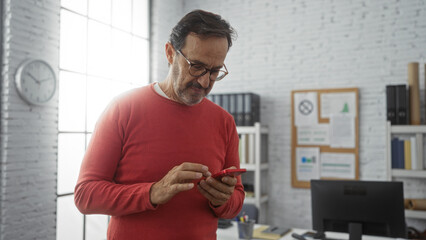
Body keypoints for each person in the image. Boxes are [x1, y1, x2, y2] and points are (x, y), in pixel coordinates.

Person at [74, 9, 245, 240]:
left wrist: (222, 200)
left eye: (214, 72)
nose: (204, 81)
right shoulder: (123, 108)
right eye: (196, 66)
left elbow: (236, 202)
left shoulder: (224, 122)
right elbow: (86, 196)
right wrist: (153, 192)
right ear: (170, 53)